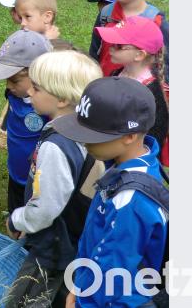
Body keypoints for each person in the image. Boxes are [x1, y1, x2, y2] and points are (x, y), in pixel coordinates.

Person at [53, 77, 168, 308]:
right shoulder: (126, 164)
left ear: (129, 136)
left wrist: (84, 300)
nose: (85, 143)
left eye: (93, 136)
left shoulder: (130, 201)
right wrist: (80, 284)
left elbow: (112, 272)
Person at [4, 51, 104, 308]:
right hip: (72, 239)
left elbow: (46, 208)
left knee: (31, 299)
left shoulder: (56, 146)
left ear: (61, 98)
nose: (29, 93)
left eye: (36, 88)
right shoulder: (84, 130)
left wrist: (17, 219)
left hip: (53, 247)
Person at [0, 30, 52, 217]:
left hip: (38, 181)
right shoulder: (13, 95)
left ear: (37, 74)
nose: (8, 86)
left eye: (14, 80)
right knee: (15, 214)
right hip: (15, 171)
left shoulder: (49, 107)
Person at [95, 15, 169, 169]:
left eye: (119, 45)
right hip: (108, 153)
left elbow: (152, 139)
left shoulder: (151, 94)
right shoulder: (118, 73)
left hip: (130, 166)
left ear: (139, 55)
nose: (111, 48)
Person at [89, 0, 170, 81]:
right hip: (104, 87)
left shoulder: (155, 21)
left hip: (137, 93)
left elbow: (166, 65)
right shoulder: (106, 13)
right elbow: (94, 53)